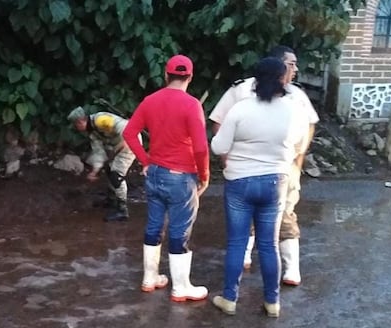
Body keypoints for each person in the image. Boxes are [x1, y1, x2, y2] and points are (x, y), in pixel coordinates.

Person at [208, 45, 319, 286]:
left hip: (278, 169)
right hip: (264, 171)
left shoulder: (296, 96)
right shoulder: (240, 91)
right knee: (260, 236)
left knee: (285, 218)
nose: (295, 70)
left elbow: (309, 126)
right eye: (291, 65)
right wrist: (227, 159)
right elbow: (218, 120)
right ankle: (271, 297)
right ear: (278, 67)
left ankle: (287, 271)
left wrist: (296, 162)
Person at [122, 54, 210, 302]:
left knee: (153, 225)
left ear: (165, 74)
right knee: (180, 230)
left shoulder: (150, 101)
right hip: (182, 177)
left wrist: (146, 160)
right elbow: (201, 147)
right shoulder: (192, 105)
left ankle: (150, 278)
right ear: (190, 77)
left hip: (156, 173)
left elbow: (129, 133)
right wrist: (204, 175)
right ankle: (181, 287)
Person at [67, 106, 142, 222]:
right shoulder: (92, 133)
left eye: (76, 125)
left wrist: (127, 141)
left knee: (117, 175)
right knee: (109, 169)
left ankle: (122, 210)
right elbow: (99, 153)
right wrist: (95, 171)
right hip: (118, 145)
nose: (76, 128)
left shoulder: (100, 120)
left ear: (81, 121)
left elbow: (123, 126)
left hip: (130, 142)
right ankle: (112, 199)